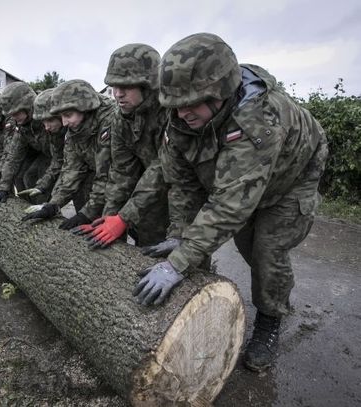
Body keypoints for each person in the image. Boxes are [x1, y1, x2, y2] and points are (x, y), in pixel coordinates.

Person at [132, 33, 328, 373]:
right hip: (245, 181)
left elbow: (230, 205)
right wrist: (180, 235)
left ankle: (270, 317)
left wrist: (177, 264)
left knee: (267, 250)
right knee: (243, 242)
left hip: (293, 178)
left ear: (220, 91)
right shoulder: (180, 118)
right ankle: (265, 291)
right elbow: (183, 184)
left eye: (192, 102)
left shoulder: (257, 121)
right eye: (177, 104)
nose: (182, 112)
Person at [72, 43, 169, 248]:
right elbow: (121, 173)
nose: (117, 94)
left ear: (148, 84)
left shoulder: (171, 111)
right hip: (149, 192)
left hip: (183, 194)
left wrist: (124, 217)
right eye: (114, 86)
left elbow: (163, 166)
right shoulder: (120, 118)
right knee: (145, 243)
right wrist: (107, 218)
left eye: (125, 86)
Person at [21, 79, 116, 229]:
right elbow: (71, 169)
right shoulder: (75, 130)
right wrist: (53, 204)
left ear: (85, 108)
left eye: (68, 115)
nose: (64, 123)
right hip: (109, 181)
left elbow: (107, 173)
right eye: (61, 117)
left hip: (127, 184)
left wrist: (87, 212)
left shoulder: (111, 121)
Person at [0, 82, 64, 209]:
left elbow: (60, 158)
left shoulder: (47, 118)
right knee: (23, 176)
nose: (13, 118)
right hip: (50, 155)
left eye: (16, 113)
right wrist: (3, 188)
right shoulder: (21, 125)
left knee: (35, 178)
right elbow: (12, 157)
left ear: (28, 107)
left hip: (61, 158)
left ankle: (46, 212)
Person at [17, 87, 67, 204]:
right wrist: (42, 185)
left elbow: (68, 167)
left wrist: (54, 203)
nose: (46, 127)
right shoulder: (55, 132)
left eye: (49, 121)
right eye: (43, 122)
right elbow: (58, 159)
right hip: (52, 157)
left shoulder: (70, 129)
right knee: (29, 177)